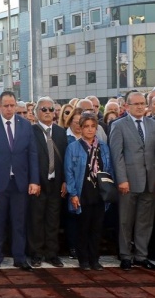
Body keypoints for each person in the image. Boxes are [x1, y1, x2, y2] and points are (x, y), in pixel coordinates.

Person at [0, 91, 40, 273]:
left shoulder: (25, 125)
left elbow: (32, 154)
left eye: (12, 105)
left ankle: (19, 258)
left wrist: (34, 180)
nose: (9, 109)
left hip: (20, 182)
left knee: (19, 222)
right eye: (5, 105)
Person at [109, 91, 155, 271]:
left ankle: (141, 256)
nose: (139, 106)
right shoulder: (118, 125)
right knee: (125, 221)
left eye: (142, 103)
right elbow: (116, 155)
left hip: (149, 182)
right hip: (127, 181)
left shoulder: (152, 124)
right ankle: (126, 255)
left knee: (145, 220)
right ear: (126, 106)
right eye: (135, 104)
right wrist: (121, 179)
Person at [65, 113, 113, 270]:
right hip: (82, 191)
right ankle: (83, 259)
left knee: (96, 228)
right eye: (86, 126)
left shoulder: (103, 147)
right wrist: (73, 193)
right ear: (80, 128)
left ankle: (95, 259)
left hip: (99, 193)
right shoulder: (73, 147)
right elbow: (69, 172)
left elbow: (108, 169)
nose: (90, 130)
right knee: (83, 227)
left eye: (93, 126)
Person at [29, 97, 68, 268]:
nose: (47, 112)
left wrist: (65, 181)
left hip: (56, 182)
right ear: (36, 112)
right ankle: (36, 253)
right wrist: (34, 181)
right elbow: (28, 159)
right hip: (38, 183)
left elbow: (66, 159)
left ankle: (52, 253)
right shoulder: (31, 131)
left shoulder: (60, 132)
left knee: (53, 219)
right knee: (36, 219)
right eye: (43, 109)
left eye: (50, 109)